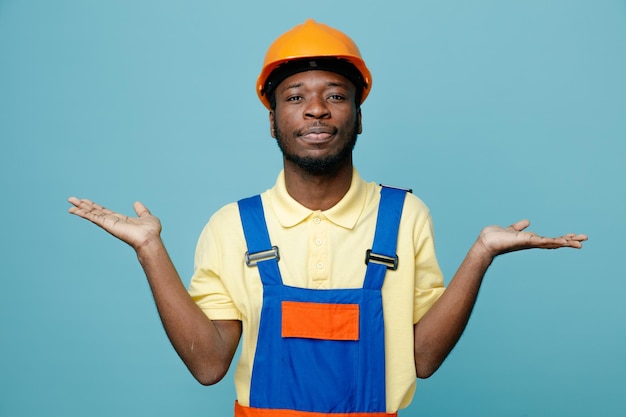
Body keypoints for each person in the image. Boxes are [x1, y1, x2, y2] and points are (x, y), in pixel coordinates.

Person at [68, 19, 587, 417]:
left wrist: (480, 256)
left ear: (359, 118)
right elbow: (208, 366)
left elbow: (422, 360)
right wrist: (151, 251)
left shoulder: (404, 216)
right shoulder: (232, 227)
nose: (316, 110)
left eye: (336, 96)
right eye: (295, 98)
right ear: (272, 122)